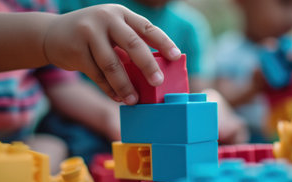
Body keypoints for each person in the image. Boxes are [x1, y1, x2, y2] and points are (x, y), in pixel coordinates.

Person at [0, 1, 181, 172]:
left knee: (53, 147)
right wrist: (47, 36)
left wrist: (109, 116)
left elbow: (60, 84)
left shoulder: (38, 3)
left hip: (15, 142)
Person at [39, 0, 250, 150]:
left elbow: (197, 90)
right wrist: (111, 117)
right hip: (85, 127)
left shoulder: (189, 27)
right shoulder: (81, 6)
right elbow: (56, 80)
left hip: (161, 136)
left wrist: (213, 103)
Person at [215, 0, 292, 141]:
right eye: (284, 4)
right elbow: (223, 97)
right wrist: (253, 88)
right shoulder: (229, 51)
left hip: (291, 137)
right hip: (248, 139)